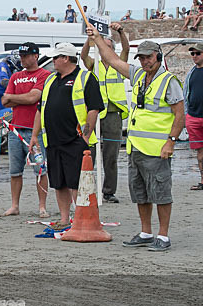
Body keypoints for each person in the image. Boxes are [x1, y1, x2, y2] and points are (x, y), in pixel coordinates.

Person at [88, 29, 185, 251]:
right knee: (140, 193)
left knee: (161, 194)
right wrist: (97, 40)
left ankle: (163, 235)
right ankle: (145, 232)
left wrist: (171, 141)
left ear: (158, 57)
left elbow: (180, 114)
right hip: (136, 147)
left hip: (158, 148)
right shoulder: (139, 75)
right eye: (141, 57)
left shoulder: (168, 81)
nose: (144, 61)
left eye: (148, 57)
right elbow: (111, 60)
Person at [29, 43, 104, 229]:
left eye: (56, 57)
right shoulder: (50, 80)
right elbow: (41, 109)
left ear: (66, 58)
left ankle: (81, 218)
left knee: (76, 181)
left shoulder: (85, 78)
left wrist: (86, 136)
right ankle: (64, 219)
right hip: (53, 141)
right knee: (59, 182)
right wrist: (34, 136)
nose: (53, 61)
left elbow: (94, 108)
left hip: (75, 140)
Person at [80, 22, 130, 203]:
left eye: (107, 46)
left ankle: (108, 191)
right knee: (89, 153)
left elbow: (126, 47)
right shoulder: (94, 64)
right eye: (101, 45)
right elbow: (84, 55)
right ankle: (87, 188)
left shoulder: (119, 64)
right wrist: (90, 38)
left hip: (113, 115)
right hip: (95, 114)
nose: (103, 49)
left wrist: (121, 31)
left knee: (110, 156)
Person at [1, 43, 51, 217]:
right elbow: (4, 101)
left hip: (35, 131)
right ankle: (15, 205)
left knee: (40, 169)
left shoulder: (45, 75)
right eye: (21, 56)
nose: (22, 58)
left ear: (35, 56)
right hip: (16, 130)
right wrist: (21, 99)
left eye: (26, 55)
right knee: (15, 171)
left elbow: (34, 98)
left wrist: (15, 98)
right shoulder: (15, 76)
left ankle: (42, 206)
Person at [184, 42, 203, 190]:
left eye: (197, 53)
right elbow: (186, 95)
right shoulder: (191, 73)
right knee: (199, 152)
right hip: (193, 116)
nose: (194, 56)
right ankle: (202, 181)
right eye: (192, 54)